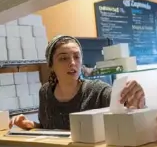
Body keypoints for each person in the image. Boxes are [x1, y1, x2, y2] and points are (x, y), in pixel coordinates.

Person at [9, 35, 145, 130]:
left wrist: (136, 101)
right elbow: (48, 128)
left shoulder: (98, 91)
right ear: (51, 64)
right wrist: (32, 125)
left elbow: (129, 111)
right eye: (63, 58)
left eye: (76, 57)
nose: (72, 63)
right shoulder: (45, 92)